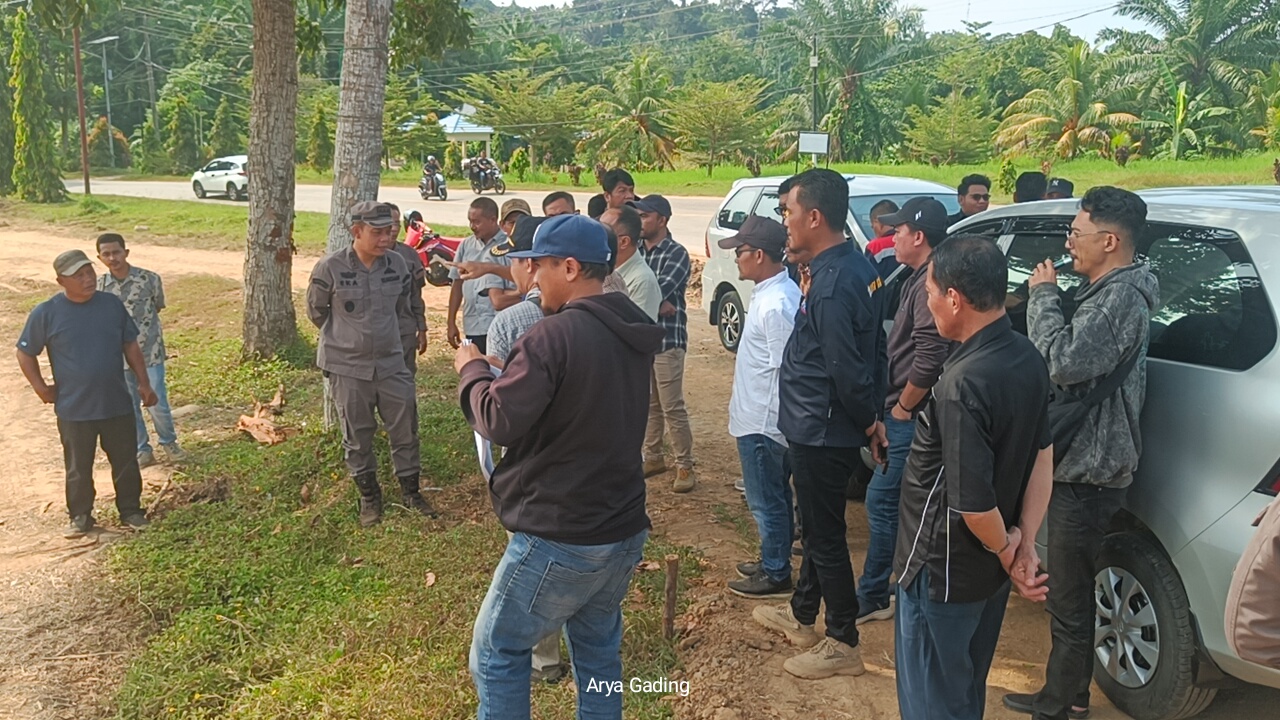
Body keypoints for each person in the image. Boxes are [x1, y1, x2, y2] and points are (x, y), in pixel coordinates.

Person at [456, 213, 663, 719]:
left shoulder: (552, 335)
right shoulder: (631, 328)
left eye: (539, 265)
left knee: (498, 650)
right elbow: (580, 397)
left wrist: (473, 371)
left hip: (561, 532)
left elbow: (498, 420)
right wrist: (513, 375)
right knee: (597, 652)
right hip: (621, 527)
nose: (531, 277)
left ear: (569, 268)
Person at [1004, 186, 1158, 720]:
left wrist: (1044, 296)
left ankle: (1061, 706)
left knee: (1069, 599)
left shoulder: (1120, 298)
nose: (1069, 243)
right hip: (1085, 464)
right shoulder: (1108, 291)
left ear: (1109, 241)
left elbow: (1062, 362)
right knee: (1069, 593)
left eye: (1076, 233)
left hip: (1090, 471)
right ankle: (1067, 695)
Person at [894, 235, 1054, 720]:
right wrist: (1025, 540)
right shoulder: (1026, 356)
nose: (927, 304)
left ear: (954, 299)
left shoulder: (962, 383)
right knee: (964, 691)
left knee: (933, 701)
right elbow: (1042, 455)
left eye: (929, 293)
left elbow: (973, 504)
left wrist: (1011, 553)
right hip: (985, 573)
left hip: (943, 570)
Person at [752, 169, 887, 680]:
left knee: (825, 537)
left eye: (787, 212)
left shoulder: (832, 284)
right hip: (822, 423)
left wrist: (870, 421)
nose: (784, 222)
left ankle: (843, 641)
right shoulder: (854, 266)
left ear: (813, 216)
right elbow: (873, 348)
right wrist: (872, 415)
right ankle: (803, 613)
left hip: (821, 428)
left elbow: (845, 366)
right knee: (816, 524)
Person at [855, 197, 954, 624]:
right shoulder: (918, 277)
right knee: (898, 504)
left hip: (911, 416)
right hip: (907, 410)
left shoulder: (931, 281)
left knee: (882, 502)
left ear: (918, 236)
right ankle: (895, 585)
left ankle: (877, 592)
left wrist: (901, 410)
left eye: (898, 231)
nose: (891, 237)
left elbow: (930, 358)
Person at [306, 201, 435, 527]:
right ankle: (369, 497)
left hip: (391, 363)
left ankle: (411, 491)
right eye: (377, 233)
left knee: (405, 428)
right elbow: (316, 312)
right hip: (348, 368)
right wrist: (350, 340)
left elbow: (404, 306)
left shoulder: (398, 264)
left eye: (389, 231)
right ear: (356, 232)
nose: (386, 238)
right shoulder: (330, 268)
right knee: (357, 435)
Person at [16, 249, 157, 537]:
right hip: (74, 408)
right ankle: (80, 516)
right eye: (78, 276)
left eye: (89, 272)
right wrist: (41, 388)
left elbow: (130, 344)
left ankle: (131, 510)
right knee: (78, 466)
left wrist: (144, 383)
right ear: (61, 281)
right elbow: (25, 352)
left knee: (126, 461)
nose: (87, 279)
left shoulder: (111, 305)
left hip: (116, 402)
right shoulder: (47, 312)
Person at [717, 216, 802, 599]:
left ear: (760, 255)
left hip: (764, 422)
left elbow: (789, 369)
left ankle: (776, 571)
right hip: (757, 417)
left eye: (741, 251)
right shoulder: (770, 294)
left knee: (766, 501)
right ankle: (772, 558)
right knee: (774, 497)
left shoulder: (777, 304)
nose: (736, 258)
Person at [93, 233, 185, 468]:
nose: (112, 258)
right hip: (118, 357)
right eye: (106, 254)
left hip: (149, 352)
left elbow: (157, 306)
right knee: (129, 405)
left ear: (126, 252)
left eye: (116, 252)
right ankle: (142, 449)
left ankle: (169, 443)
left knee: (157, 402)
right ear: (99, 258)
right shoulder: (99, 287)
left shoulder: (149, 279)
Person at [633, 194, 697, 492]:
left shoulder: (676, 252)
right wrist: (654, 302)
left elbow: (658, 288)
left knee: (672, 406)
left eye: (645, 216)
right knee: (649, 404)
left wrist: (648, 298)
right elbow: (625, 288)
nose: (640, 221)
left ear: (662, 219)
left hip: (668, 338)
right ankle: (654, 457)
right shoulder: (636, 251)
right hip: (642, 339)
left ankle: (685, 465)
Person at [447, 198, 518, 354]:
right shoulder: (466, 245)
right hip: (473, 324)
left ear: (493, 220)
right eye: (470, 221)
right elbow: (457, 285)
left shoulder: (508, 246)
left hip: (499, 323)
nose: (472, 226)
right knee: (477, 363)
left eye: (477, 222)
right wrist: (451, 322)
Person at [486, 216, 547, 367]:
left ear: (529, 264)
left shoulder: (506, 322)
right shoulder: (580, 309)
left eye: (512, 261)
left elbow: (497, 380)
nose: (512, 270)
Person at [382, 203, 428, 374]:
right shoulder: (366, 257)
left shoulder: (409, 255)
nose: (394, 229)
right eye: (389, 223)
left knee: (405, 378)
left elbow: (416, 296)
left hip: (404, 330)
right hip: (376, 334)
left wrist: (421, 328)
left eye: (396, 224)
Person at [599, 205, 661, 320]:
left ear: (623, 242)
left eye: (604, 232)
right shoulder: (599, 267)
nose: (596, 236)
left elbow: (639, 328)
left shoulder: (643, 281)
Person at [862, 199, 900, 280]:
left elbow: (867, 278)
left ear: (878, 222)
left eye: (872, 224)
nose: (872, 227)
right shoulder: (911, 241)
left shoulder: (875, 247)